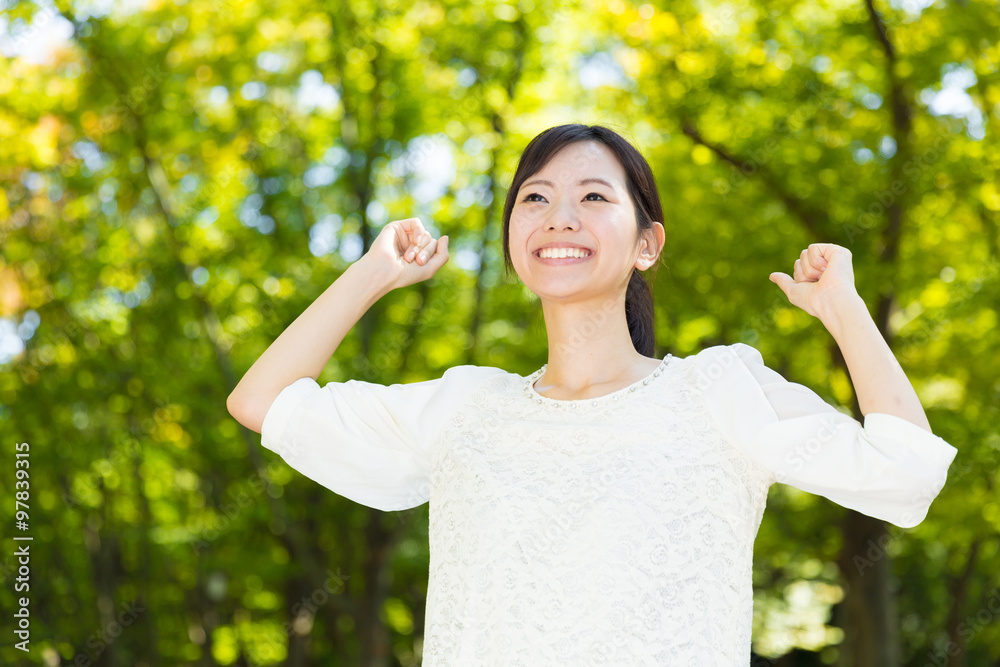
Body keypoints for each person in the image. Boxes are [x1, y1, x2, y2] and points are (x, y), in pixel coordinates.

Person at [227, 124, 958, 665]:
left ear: (648, 243)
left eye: (594, 196)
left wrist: (843, 309)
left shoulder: (720, 390)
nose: (560, 216)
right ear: (515, 237)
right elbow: (261, 400)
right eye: (535, 197)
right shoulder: (464, 408)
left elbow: (910, 472)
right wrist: (375, 271)